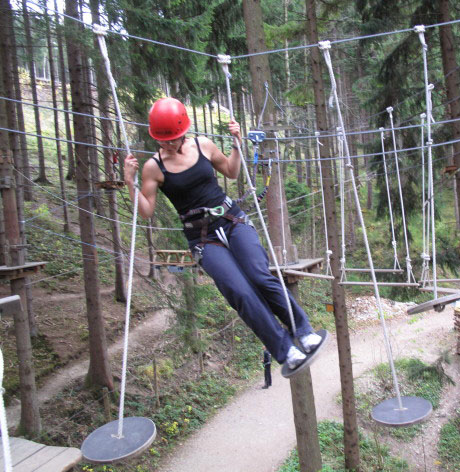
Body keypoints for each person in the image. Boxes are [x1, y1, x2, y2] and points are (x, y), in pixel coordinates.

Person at [124, 97, 323, 371]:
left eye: (174, 139)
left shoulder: (203, 145)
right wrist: (130, 182)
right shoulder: (153, 167)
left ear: (184, 132)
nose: (168, 145)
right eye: (163, 141)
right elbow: (146, 210)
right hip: (203, 238)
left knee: (260, 277)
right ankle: (285, 350)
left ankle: (303, 330)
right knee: (240, 292)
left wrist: (237, 145)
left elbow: (230, 170)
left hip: (233, 221)